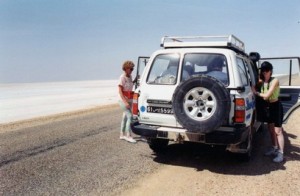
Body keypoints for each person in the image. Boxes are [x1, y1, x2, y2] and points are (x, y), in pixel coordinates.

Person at [253, 61, 284, 163]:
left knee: (278, 131)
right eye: (263, 70)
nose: (265, 72)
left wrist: (256, 93)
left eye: (267, 70)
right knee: (271, 130)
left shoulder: (274, 81)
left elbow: (267, 95)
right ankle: (274, 148)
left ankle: (281, 153)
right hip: (268, 107)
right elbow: (253, 87)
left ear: (270, 71)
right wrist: (254, 88)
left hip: (276, 106)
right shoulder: (261, 81)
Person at [118, 60, 136, 143]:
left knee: (125, 117)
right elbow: (120, 91)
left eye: (132, 69)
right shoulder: (122, 77)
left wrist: (135, 80)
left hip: (130, 99)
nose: (132, 70)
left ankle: (122, 135)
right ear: (125, 68)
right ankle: (128, 135)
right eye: (131, 69)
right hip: (123, 100)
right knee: (130, 117)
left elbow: (130, 85)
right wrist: (125, 102)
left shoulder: (130, 77)